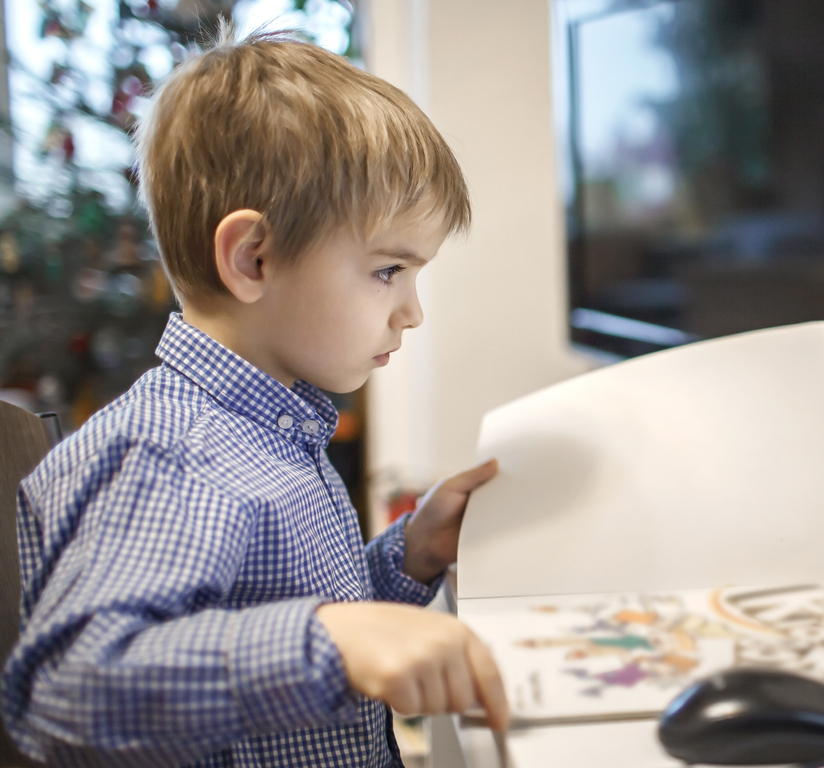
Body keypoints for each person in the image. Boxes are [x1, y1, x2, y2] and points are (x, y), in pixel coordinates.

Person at [1, 28, 510, 766]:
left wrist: (411, 554)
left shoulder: (267, 431)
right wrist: (331, 645)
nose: (412, 311)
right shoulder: (172, 454)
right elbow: (68, 684)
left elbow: (274, 607)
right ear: (254, 258)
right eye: (388, 271)